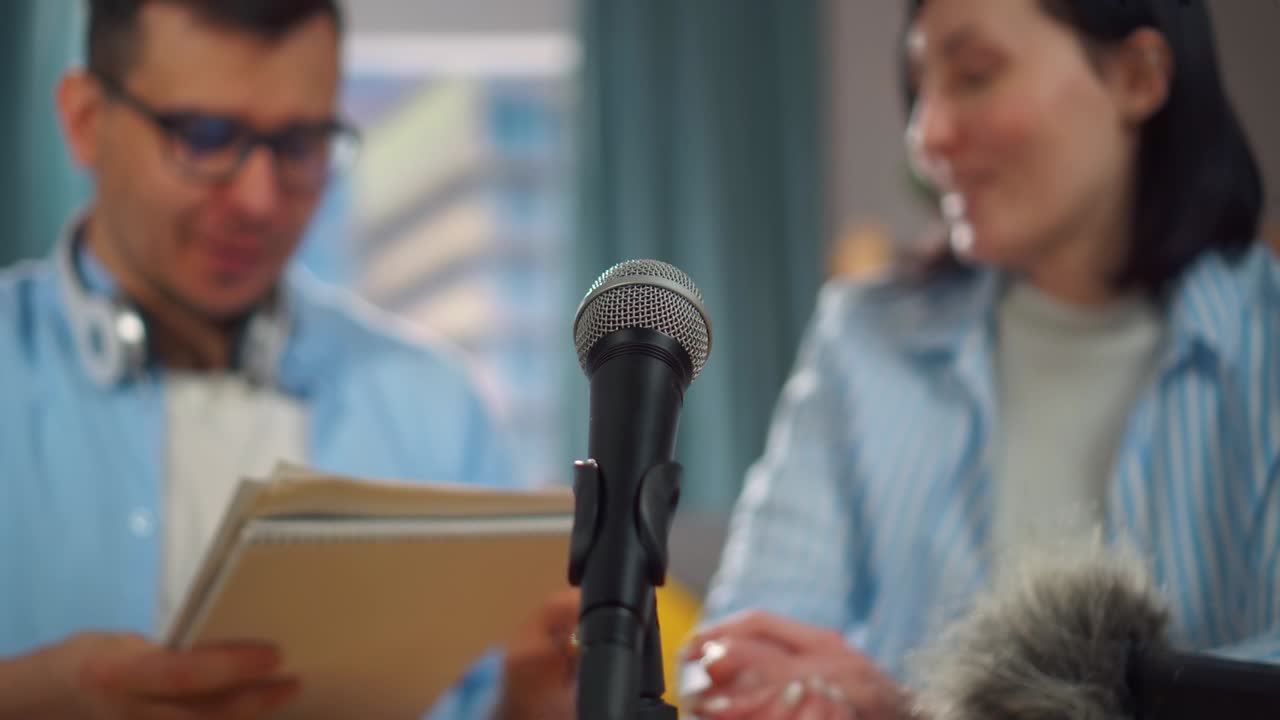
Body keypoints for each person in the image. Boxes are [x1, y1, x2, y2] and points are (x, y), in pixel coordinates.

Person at [681, 0, 1278, 718]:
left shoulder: (1262, 347)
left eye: (975, 75)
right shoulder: (863, 341)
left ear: (1137, 77)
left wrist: (912, 709)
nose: (925, 135)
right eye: (919, 88)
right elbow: (746, 649)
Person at [0, 1, 576, 718]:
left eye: (301, 144)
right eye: (204, 137)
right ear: (86, 119)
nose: (259, 199)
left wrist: (533, 703)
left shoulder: (437, 406)